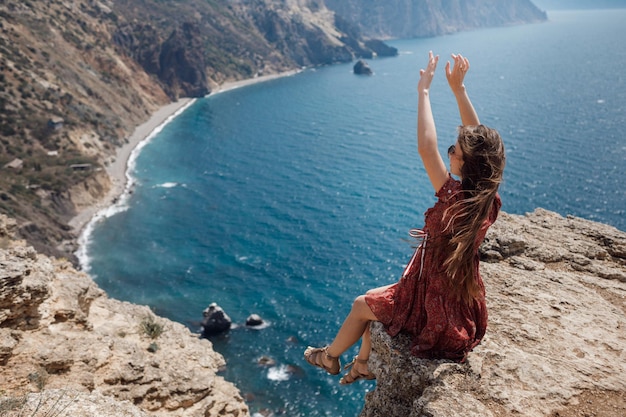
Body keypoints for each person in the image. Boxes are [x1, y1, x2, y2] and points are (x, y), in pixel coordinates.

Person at [304, 51, 506, 384]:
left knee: (361, 305)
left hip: (428, 301)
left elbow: (427, 148)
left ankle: (328, 357)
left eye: (456, 150)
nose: (450, 151)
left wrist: (424, 92)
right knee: (377, 308)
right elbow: (483, 150)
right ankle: (362, 364)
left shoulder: (452, 200)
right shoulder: (487, 200)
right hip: (458, 301)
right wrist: (459, 91)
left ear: (467, 165)